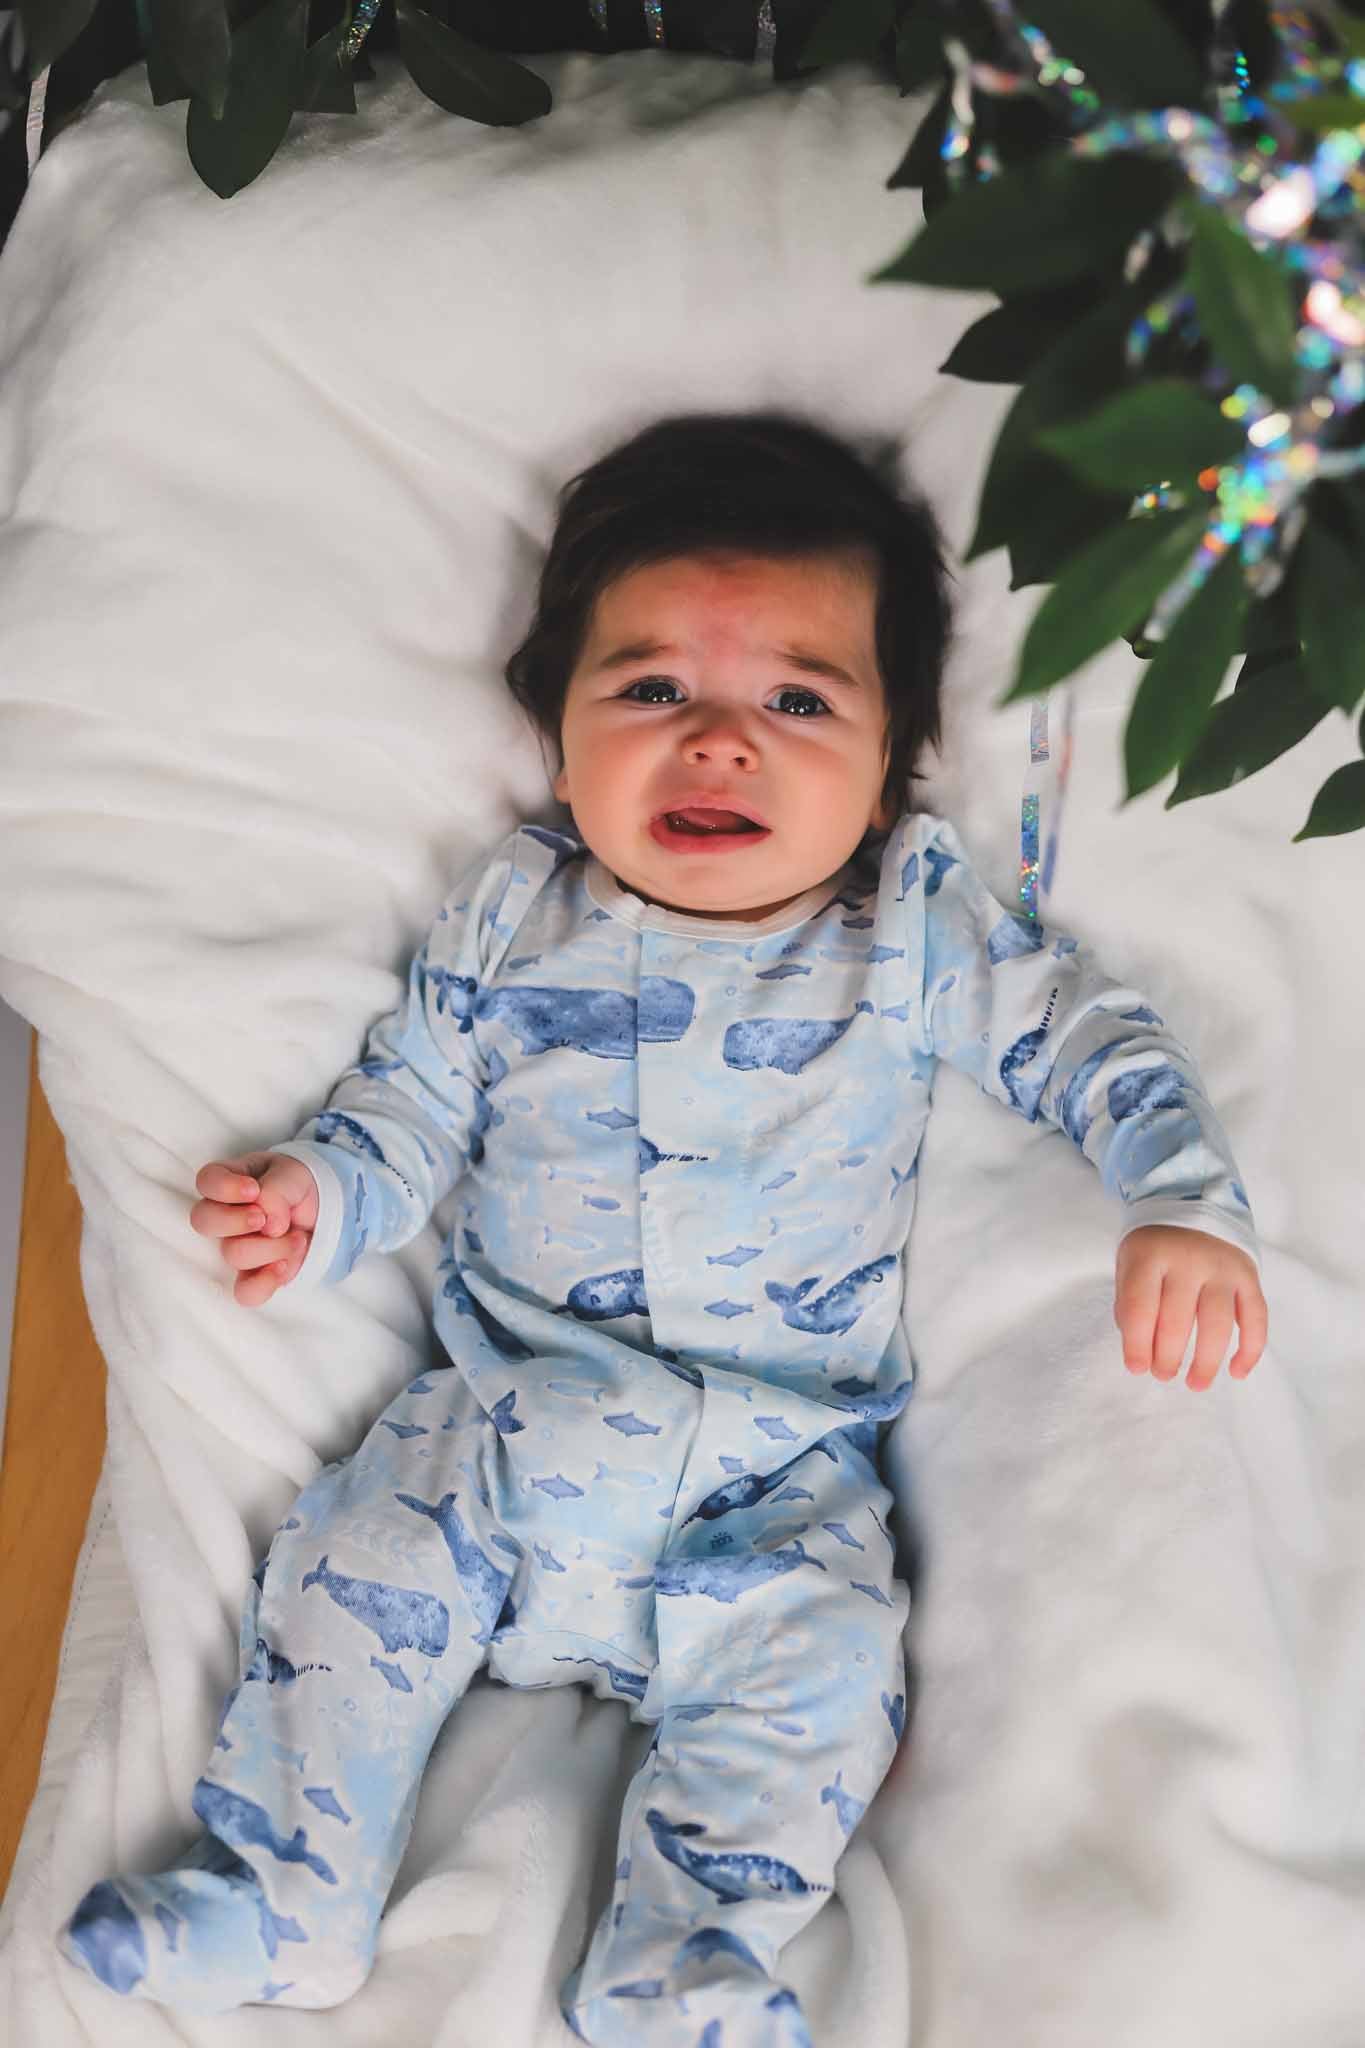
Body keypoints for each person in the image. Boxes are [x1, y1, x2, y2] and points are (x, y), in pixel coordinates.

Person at [57, 410, 1269, 2046]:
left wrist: (1180, 1202)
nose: (715, 744)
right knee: (350, 1562)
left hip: (774, 1486)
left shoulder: (907, 930)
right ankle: (286, 1892)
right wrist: (319, 1197)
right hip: (503, 1441)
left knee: (822, 1674)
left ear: (890, 763)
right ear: (560, 747)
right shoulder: (514, 913)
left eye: (797, 701)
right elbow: (409, 1102)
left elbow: (1085, 1044)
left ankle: (679, 1960)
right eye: (647, 692)